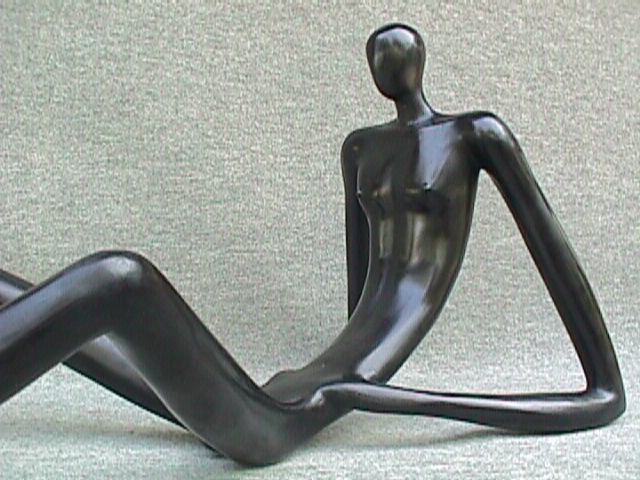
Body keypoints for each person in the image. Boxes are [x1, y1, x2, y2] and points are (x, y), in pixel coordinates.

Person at [0, 23, 625, 465]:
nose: (386, 63)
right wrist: (349, 386)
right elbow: (356, 318)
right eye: (376, 56)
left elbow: (603, 396)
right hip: (276, 389)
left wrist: (371, 396)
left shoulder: (475, 135)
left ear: (419, 60)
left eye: (396, 52)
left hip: (280, 421)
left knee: (119, 280)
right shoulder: (361, 148)